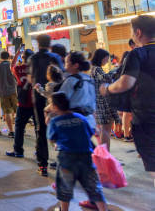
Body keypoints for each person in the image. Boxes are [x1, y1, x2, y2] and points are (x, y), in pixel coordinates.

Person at [101, 15, 155, 186]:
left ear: (138, 32)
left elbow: (126, 83)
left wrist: (107, 88)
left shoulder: (137, 54)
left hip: (147, 118)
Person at [47, 92, 107, 211]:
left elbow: (52, 139)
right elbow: (89, 134)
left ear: (55, 106)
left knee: (65, 189)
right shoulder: (81, 118)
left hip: (67, 159)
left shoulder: (55, 121)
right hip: (86, 158)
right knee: (94, 189)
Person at [28, 34, 65, 177]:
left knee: (41, 129)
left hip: (39, 98)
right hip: (56, 99)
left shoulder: (33, 58)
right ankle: (63, 162)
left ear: (37, 44)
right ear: (49, 44)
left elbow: (31, 79)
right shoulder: (55, 58)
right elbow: (62, 77)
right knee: (60, 129)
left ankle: (42, 165)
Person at [6, 48, 35, 158]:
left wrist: (17, 53)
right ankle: (39, 150)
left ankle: (18, 151)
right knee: (39, 128)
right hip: (35, 102)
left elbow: (11, 65)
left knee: (19, 127)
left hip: (23, 103)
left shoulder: (18, 68)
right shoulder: (35, 69)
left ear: (22, 58)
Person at [90, 48, 118, 151]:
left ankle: (105, 154)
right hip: (103, 103)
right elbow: (105, 78)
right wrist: (115, 70)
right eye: (106, 58)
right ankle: (105, 155)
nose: (107, 60)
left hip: (99, 102)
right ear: (101, 57)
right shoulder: (96, 69)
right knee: (106, 130)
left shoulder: (94, 68)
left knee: (104, 130)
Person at [58, 52, 96, 129]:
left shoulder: (71, 80)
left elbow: (59, 100)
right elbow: (93, 103)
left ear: (76, 65)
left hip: (73, 122)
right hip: (89, 121)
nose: (65, 65)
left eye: (66, 62)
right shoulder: (89, 79)